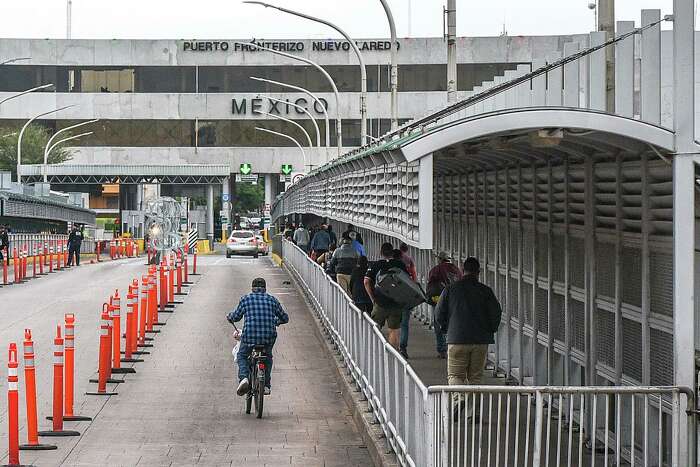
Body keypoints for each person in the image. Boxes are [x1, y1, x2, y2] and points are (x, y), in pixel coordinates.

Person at [435, 257, 502, 388]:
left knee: (455, 376)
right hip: (480, 341)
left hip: (457, 339)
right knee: (476, 378)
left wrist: (447, 330)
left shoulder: (450, 289)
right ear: (479, 272)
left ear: (462, 270)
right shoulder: (486, 291)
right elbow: (496, 313)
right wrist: (490, 330)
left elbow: (438, 313)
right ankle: (473, 408)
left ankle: (459, 399)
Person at [227, 278, 289, 396]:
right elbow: (285, 318)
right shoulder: (272, 300)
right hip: (268, 337)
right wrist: (275, 321)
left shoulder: (246, 299)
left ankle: (244, 378)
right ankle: (266, 385)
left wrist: (229, 317)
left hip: (249, 336)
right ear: (265, 288)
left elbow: (236, 316)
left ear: (252, 288)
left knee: (242, 355)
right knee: (268, 357)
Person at [364, 242, 408, 352]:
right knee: (394, 330)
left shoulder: (376, 265)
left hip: (380, 302)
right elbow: (408, 282)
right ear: (392, 252)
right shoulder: (400, 265)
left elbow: (366, 282)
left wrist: (373, 298)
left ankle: (374, 352)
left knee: (375, 327)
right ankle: (392, 357)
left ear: (381, 252)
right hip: (396, 303)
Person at [427, 252, 463, 358]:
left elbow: (431, 284)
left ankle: (442, 349)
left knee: (438, 323)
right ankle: (452, 347)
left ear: (440, 259)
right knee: (453, 323)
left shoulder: (436, 269)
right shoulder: (457, 270)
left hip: (439, 300)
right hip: (454, 301)